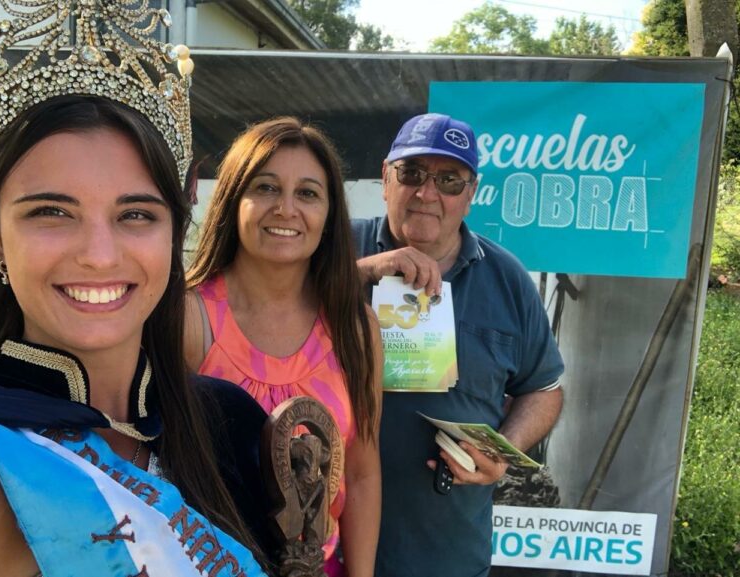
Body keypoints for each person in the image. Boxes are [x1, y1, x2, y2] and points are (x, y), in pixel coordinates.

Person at [0, 4, 268, 576]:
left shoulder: (231, 424)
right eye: (52, 212)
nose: (101, 255)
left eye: (136, 214)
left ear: (175, 229)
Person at [351, 113, 565, 577]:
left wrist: (504, 449)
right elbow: (268, 302)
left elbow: (545, 390)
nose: (428, 193)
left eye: (449, 180)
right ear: (386, 178)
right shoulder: (336, 249)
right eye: (412, 174)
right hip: (324, 547)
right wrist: (361, 272)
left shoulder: (507, 278)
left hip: (448, 553)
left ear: (470, 195)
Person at [185, 117, 383, 577]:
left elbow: (362, 472)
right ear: (235, 198)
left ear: (330, 214)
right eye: (267, 187)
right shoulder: (187, 318)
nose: (286, 209)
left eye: (308, 193)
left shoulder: (355, 328)